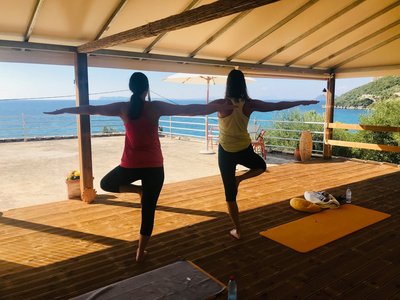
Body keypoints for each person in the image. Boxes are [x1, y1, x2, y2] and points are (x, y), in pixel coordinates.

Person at [44, 72, 231, 262]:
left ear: (131, 88)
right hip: (154, 166)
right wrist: (217, 107)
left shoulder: (123, 108)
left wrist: (65, 110)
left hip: (131, 165)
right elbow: (189, 109)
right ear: (147, 89)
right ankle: (140, 252)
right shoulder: (155, 107)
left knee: (106, 184)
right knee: (148, 210)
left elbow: (91, 109)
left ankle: (139, 200)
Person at [209, 69, 319, 239]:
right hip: (244, 149)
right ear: (243, 84)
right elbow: (277, 105)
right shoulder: (249, 104)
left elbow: (195, 109)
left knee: (230, 195)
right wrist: (302, 102)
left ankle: (237, 230)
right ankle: (239, 180)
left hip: (226, 152)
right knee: (261, 166)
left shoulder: (222, 104)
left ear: (228, 84)